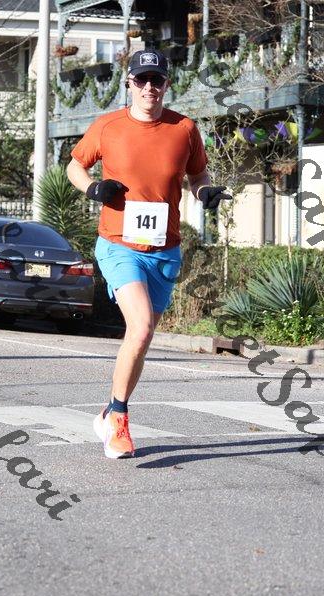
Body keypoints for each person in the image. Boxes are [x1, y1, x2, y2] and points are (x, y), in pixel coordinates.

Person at [67, 49, 231, 459]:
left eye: (156, 80)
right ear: (130, 83)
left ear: (166, 84)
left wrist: (205, 192)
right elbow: (74, 166)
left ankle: (108, 411)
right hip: (118, 244)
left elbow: (198, 174)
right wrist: (93, 188)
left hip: (165, 250)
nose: (149, 87)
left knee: (142, 338)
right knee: (139, 329)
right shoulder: (108, 126)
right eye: (141, 79)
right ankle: (119, 420)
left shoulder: (184, 128)